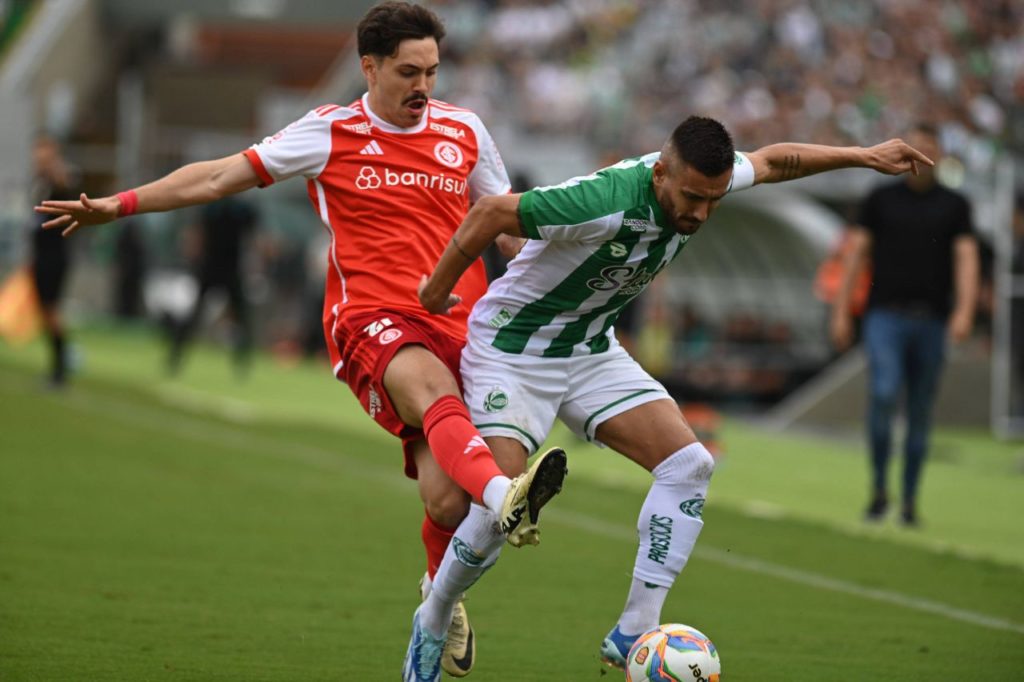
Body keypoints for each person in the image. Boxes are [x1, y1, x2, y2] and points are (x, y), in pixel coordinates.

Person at [34, 3, 567, 680]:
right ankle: (507, 497)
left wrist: (557, 283)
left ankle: (437, 599)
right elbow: (218, 175)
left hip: (457, 326)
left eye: (432, 71)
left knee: (445, 501)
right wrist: (121, 204)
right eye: (408, 71)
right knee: (444, 415)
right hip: (370, 321)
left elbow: (507, 226)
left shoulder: (465, 130)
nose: (424, 86)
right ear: (369, 67)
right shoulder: (329, 132)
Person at [418, 116, 931, 671]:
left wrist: (862, 155)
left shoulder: (705, 182)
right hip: (512, 352)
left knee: (689, 465)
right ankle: (434, 615)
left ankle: (634, 629)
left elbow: (777, 160)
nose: (700, 213)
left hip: (589, 350)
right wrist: (436, 290)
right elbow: (493, 211)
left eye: (712, 200)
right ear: (661, 173)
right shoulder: (605, 198)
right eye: (690, 197)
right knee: (503, 506)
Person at [830, 123, 979, 527]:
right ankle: (879, 487)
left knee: (920, 412)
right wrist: (842, 310)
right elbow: (856, 255)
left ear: (940, 156)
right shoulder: (880, 198)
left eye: (930, 150)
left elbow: (966, 258)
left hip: (931, 319)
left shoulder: (955, 205)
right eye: (916, 149)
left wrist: (964, 311)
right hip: (885, 317)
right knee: (883, 392)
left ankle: (909, 500)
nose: (922, 157)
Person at [167, 196, 257, 377]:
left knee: (238, 317)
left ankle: (242, 361)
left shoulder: (229, 207)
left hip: (225, 268)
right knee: (200, 316)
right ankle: (177, 355)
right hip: (215, 267)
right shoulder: (229, 207)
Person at [28, 134, 79, 388]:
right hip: (40, 255)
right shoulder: (40, 182)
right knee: (45, 311)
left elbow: (67, 183)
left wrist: (53, 167)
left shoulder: (58, 179)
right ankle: (58, 364)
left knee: (52, 310)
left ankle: (61, 367)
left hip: (54, 257)